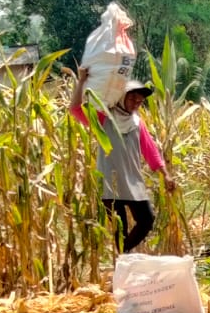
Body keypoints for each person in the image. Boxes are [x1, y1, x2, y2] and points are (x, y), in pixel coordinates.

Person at [69, 71, 172, 253]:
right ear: (122, 97)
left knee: (147, 220)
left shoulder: (137, 123)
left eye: (139, 101)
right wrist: (82, 81)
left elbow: (151, 151)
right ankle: (123, 264)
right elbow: (76, 109)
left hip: (133, 180)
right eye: (132, 99)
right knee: (120, 229)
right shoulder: (103, 118)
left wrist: (166, 175)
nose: (135, 104)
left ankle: (123, 256)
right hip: (111, 182)